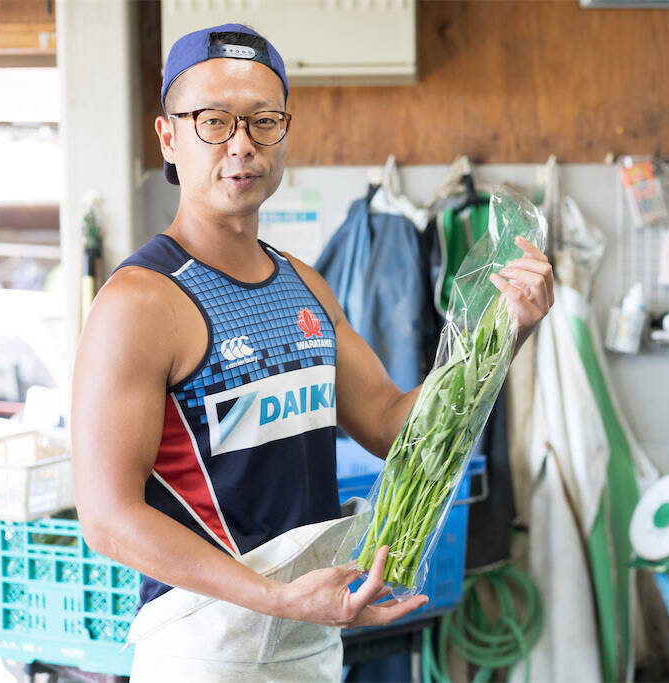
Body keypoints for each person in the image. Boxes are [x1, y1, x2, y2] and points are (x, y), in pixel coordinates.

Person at [70, 23, 553, 682]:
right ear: (168, 138)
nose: (242, 143)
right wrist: (274, 597)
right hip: (207, 648)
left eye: (263, 120)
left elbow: (391, 425)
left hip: (312, 637)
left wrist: (504, 334)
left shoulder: (304, 286)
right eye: (213, 120)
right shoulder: (141, 302)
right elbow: (107, 518)